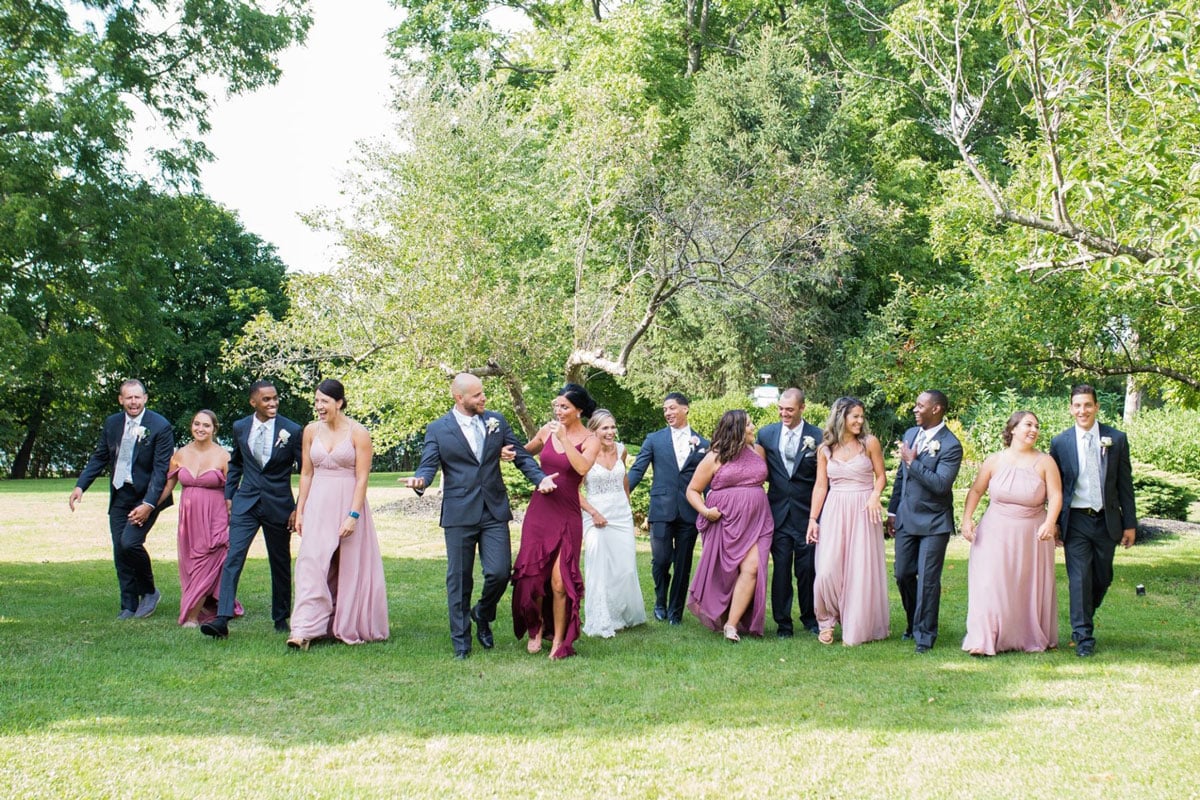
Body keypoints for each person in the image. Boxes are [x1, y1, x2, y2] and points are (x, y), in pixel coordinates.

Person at [407, 373, 556, 660]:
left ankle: (483, 613)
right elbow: (428, 466)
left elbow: (522, 456)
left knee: (500, 572)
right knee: (459, 579)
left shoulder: (496, 421)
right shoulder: (438, 429)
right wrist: (420, 481)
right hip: (459, 512)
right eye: (476, 395)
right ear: (459, 398)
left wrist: (539, 479)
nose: (483, 398)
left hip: (493, 510)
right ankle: (461, 642)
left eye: (482, 393)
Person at [287, 379, 389, 648]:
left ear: (339, 402)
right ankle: (303, 629)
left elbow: (362, 477)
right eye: (317, 401)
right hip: (318, 503)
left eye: (324, 401)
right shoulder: (310, 431)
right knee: (310, 562)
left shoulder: (359, 433)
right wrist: (300, 510)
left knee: (347, 565)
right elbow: (306, 473)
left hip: (348, 502)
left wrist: (353, 516)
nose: (319, 406)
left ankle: (342, 625)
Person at [201, 380, 303, 639]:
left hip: (279, 505)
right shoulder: (240, 427)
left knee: (279, 562)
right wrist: (229, 494)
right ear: (253, 402)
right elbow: (235, 462)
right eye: (266, 399)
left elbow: (307, 473)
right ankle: (222, 619)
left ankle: (281, 618)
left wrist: (299, 508)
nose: (273, 403)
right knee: (233, 557)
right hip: (246, 503)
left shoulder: (291, 430)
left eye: (275, 398)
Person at [70, 379, 174, 619]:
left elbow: (161, 472)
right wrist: (80, 486)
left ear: (145, 398)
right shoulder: (112, 423)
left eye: (138, 397)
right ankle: (128, 605)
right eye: (129, 397)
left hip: (147, 496)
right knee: (120, 549)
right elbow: (100, 457)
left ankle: (149, 591)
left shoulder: (160, 426)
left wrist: (148, 505)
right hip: (120, 494)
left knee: (130, 543)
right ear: (121, 400)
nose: (133, 402)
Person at [961, 411, 1063, 655]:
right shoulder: (994, 461)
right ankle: (984, 638)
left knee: (1024, 586)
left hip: (1031, 534)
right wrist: (966, 519)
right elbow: (976, 491)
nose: (1034, 430)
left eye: (1037, 426)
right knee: (989, 584)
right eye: (1028, 424)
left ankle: (1025, 634)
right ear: (1013, 429)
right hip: (994, 531)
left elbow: (1056, 495)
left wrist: (1050, 522)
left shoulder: (1046, 462)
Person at [512, 384, 601, 659]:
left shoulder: (591, 439)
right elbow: (524, 454)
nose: (558, 411)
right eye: (557, 406)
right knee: (534, 577)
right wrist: (509, 453)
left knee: (560, 581)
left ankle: (559, 640)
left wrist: (563, 439)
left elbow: (582, 468)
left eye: (564, 407)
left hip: (567, 514)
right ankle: (536, 628)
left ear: (579, 410)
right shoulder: (546, 431)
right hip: (540, 511)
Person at [1048, 384, 1137, 657]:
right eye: (1077, 405)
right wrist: (1053, 522)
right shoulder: (1060, 442)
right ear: (1070, 408)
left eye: (1087, 405)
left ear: (1096, 407)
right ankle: (1083, 636)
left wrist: (1130, 524)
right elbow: (1056, 486)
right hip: (1076, 520)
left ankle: (1085, 611)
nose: (1082, 410)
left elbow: (1125, 484)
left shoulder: (1116, 439)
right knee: (1079, 579)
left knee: (1102, 577)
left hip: (1107, 519)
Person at [806, 397, 890, 645]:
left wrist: (875, 495)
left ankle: (857, 623)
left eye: (862, 416)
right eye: (855, 416)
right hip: (834, 508)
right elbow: (821, 486)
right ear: (841, 417)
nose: (859, 421)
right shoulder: (825, 449)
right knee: (827, 570)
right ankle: (827, 620)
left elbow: (881, 476)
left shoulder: (869, 443)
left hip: (864, 508)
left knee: (860, 568)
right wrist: (813, 518)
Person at [685, 410, 775, 641]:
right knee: (725, 572)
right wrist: (706, 511)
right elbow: (692, 490)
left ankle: (732, 625)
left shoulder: (757, 451)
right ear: (736, 429)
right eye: (749, 424)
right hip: (724, 522)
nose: (753, 427)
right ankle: (722, 614)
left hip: (757, 521)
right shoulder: (714, 457)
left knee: (753, 568)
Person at [887, 390, 963, 653]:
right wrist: (892, 511)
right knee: (903, 574)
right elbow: (901, 477)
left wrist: (913, 462)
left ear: (937, 409)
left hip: (934, 522)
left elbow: (941, 485)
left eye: (921, 406)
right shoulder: (911, 435)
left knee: (928, 580)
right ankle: (912, 622)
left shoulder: (951, 445)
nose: (915, 410)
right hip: (907, 518)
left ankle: (925, 636)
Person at [627, 392, 710, 625]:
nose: (668, 413)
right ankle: (660, 602)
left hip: (689, 511)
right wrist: (622, 492)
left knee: (683, 564)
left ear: (685, 409)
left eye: (672, 408)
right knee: (661, 560)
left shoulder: (703, 445)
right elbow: (637, 470)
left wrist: (713, 505)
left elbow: (710, 481)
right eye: (665, 409)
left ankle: (675, 612)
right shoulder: (654, 439)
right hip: (661, 509)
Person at [157, 410, 244, 626]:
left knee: (208, 561)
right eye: (197, 424)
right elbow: (168, 486)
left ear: (214, 429)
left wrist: (233, 521)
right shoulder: (180, 455)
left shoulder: (224, 456)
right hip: (189, 519)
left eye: (206, 425)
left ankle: (192, 616)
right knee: (191, 564)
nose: (200, 429)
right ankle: (211, 603)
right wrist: (149, 507)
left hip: (215, 516)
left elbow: (232, 491)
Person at [756, 388, 824, 637]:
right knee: (782, 569)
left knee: (807, 570)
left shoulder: (818, 436)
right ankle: (783, 623)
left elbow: (822, 479)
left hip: (807, 515)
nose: (784, 413)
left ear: (802, 409)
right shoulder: (766, 434)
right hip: (777, 514)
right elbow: (758, 470)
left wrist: (816, 516)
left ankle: (810, 617)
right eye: (781, 409)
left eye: (790, 410)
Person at [579, 410, 647, 638]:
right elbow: (574, 489)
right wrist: (592, 512)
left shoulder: (621, 449)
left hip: (621, 515)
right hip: (595, 515)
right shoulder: (585, 452)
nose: (610, 432)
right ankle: (601, 618)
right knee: (598, 565)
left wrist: (627, 505)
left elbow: (624, 479)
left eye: (612, 427)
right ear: (593, 430)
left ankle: (622, 614)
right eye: (604, 428)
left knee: (625, 568)